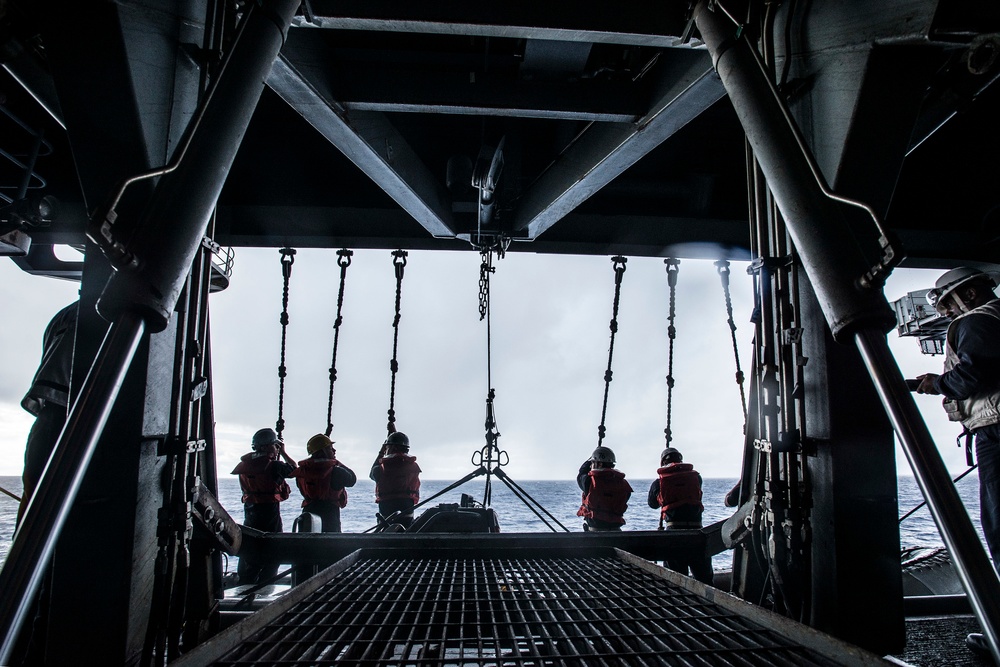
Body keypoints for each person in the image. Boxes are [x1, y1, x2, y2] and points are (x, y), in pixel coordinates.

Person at [915, 267, 1000, 658]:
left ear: (965, 295)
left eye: (948, 303)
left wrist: (939, 383)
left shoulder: (976, 320)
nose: (948, 313)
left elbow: (973, 375)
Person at [18, 300, 79, 527]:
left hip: (51, 417)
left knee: (34, 513)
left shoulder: (69, 312)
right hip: (65, 419)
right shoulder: (95, 311)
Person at [231, 427, 297, 584]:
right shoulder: (274, 466)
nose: (276, 448)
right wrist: (284, 454)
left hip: (250, 515)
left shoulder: (244, 466)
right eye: (275, 445)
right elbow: (294, 470)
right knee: (273, 553)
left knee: (250, 554)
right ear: (268, 446)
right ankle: (264, 585)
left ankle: (245, 585)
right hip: (269, 515)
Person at [647, 447, 713, 584]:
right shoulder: (696, 478)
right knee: (704, 578)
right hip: (697, 533)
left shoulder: (658, 482)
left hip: (674, 534)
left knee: (675, 581)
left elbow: (652, 504)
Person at [293, 433, 357, 533]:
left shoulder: (302, 471)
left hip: (308, 512)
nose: (334, 450)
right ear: (323, 451)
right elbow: (352, 479)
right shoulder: (336, 472)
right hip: (330, 516)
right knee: (330, 545)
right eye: (330, 448)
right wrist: (335, 462)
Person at [369, 431, 421, 529]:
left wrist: (381, 452)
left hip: (387, 509)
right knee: (406, 529)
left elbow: (372, 474)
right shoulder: (413, 465)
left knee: (385, 530)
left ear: (391, 448)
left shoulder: (383, 467)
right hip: (407, 509)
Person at [576, 446, 632, 531]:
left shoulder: (589, 482)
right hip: (616, 529)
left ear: (599, 464)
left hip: (595, 529)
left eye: (593, 463)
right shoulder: (624, 484)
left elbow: (581, 474)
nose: (591, 465)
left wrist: (588, 461)